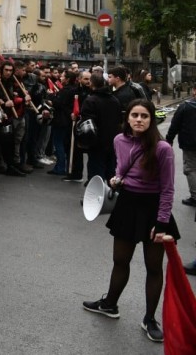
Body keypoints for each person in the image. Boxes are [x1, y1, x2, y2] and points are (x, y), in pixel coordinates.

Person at [83, 99, 180, 343]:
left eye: (144, 116)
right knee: (120, 260)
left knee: (153, 266)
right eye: (135, 115)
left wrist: (162, 223)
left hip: (154, 209)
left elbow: (168, 190)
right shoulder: (119, 140)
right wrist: (116, 180)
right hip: (127, 205)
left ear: (151, 120)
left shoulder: (162, 148)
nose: (139, 120)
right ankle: (109, 305)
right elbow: (121, 169)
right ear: (128, 118)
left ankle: (149, 319)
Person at [166, 82, 196, 206]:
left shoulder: (185, 106)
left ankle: (195, 196)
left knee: (191, 169)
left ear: (194, 90)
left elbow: (175, 125)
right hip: (189, 143)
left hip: (190, 144)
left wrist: (169, 140)